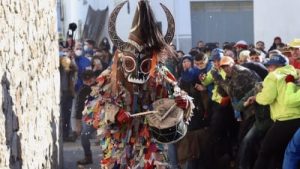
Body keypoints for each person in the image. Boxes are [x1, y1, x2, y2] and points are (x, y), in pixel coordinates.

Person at [81, 1, 194, 168]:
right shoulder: (110, 77)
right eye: (130, 63)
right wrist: (114, 114)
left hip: (151, 143)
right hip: (120, 146)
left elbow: (176, 98)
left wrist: (184, 103)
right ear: (123, 58)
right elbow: (91, 110)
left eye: (146, 64)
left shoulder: (160, 76)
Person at [248, 54, 300, 169]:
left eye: (269, 66)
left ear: (275, 66)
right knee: (285, 152)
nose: (268, 69)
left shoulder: (273, 76)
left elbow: (267, 98)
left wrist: (257, 97)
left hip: (285, 119)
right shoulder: (296, 72)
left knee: (265, 152)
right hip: (298, 119)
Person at [76, 70, 97, 165]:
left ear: (94, 78)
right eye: (86, 80)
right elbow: (78, 108)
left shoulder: (101, 85)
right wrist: (78, 124)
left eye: (90, 79)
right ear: (83, 81)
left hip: (105, 116)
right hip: (91, 117)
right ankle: (88, 157)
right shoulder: (83, 91)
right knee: (84, 136)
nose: (88, 82)